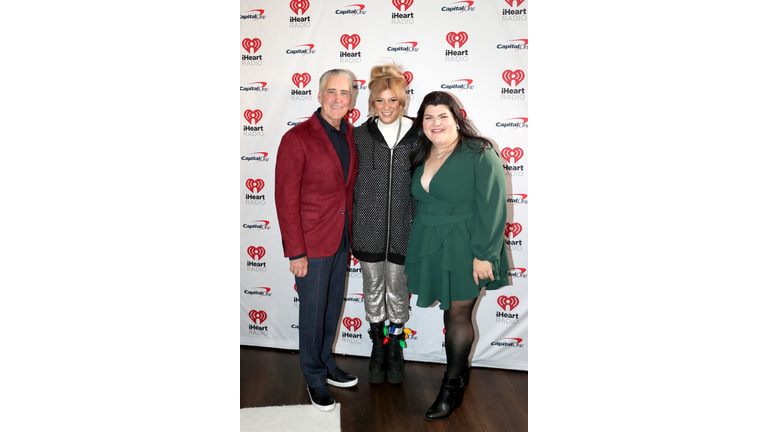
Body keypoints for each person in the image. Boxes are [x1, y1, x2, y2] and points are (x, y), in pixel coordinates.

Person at [404, 91, 511, 421]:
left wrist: (484, 256)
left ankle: (451, 387)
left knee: (457, 317)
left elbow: (493, 208)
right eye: (428, 118)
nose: (435, 124)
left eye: (442, 117)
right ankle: (460, 373)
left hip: (467, 247)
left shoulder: (479, 152)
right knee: (448, 314)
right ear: (422, 123)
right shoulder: (422, 151)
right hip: (429, 243)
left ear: (456, 118)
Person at [274, 69, 360, 412]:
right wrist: (296, 251)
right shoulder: (296, 138)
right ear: (319, 94)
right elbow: (285, 199)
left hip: (341, 241)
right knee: (311, 314)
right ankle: (313, 377)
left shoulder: (351, 135)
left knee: (329, 311)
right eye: (332, 91)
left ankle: (325, 362)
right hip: (310, 245)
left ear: (351, 99)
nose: (338, 98)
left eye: (344, 92)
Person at [351, 61, 418, 385]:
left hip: (406, 232)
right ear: (372, 102)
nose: (387, 106)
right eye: (380, 100)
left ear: (402, 101)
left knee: (398, 292)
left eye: (393, 100)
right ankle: (378, 344)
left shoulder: (419, 134)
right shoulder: (359, 135)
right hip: (367, 230)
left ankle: (395, 347)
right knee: (373, 289)